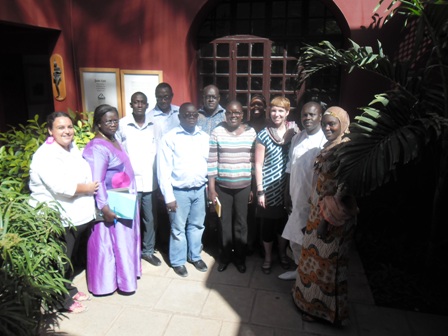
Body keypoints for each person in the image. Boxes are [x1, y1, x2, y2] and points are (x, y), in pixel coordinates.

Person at [292, 106, 358, 327]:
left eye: (332, 123)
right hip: (318, 213)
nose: (328, 127)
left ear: (343, 125)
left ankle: (324, 312)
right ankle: (309, 304)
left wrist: (324, 223)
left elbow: (344, 192)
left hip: (331, 219)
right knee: (313, 261)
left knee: (327, 267)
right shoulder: (331, 146)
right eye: (326, 123)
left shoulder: (345, 151)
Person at [29, 112, 99, 313]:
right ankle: (59, 300)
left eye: (69, 126)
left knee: (70, 259)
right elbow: (61, 186)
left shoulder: (72, 147)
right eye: (60, 128)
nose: (67, 131)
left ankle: (67, 288)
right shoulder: (45, 155)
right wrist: (88, 188)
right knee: (59, 260)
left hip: (77, 215)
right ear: (50, 131)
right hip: (58, 217)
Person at [83, 104, 141, 295]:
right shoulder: (97, 147)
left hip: (124, 199)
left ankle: (126, 276)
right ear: (98, 123)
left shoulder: (114, 139)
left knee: (125, 242)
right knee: (111, 245)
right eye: (108, 121)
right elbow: (97, 179)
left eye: (115, 120)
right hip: (111, 203)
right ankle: (109, 283)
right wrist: (104, 207)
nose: (113, 124)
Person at [157, 103, 210, 277]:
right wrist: (169, 197)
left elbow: (208, 163)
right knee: (178, 228)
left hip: (200, 189)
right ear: (179, 117)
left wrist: (209, 188)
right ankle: (178, 261)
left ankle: (194, 256)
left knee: (197, 225)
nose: (191, 118)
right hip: (178, 191)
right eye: (187, 115)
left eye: (194, 114)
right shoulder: (170, 138)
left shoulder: (203, 137)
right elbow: (163, 170)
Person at [278, 102, 326, 280]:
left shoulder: (325, 141)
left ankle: (310, 275)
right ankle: (299, 270)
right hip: (295, 195)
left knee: (310, 239)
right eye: (304, 115)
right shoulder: (297, 138)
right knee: (294, 238)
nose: (307, 118)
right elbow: (290, 166)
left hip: (313, 199)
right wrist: (286, 192)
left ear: (320, 116)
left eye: (312, 115)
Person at [207, 101, 257, 273]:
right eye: (229, 112)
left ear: (242, 115)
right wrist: (211, 189)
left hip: (243, 186)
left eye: (237, 112)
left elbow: (252, 162)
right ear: (225, 114)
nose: (233, 115)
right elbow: (212, 161)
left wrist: (251, 187)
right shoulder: (217, 132)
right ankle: (225, 257)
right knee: (224, 222)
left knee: (241, 223)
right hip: (222, 187)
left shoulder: (251, 133)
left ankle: (240, 258)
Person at [116, 92, 161, 267]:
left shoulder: (154, 125)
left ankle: (148, 251)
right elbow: (118, 151)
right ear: (131, 104)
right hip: (129, 182)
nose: (139, 105)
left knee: (150, 219)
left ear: (147, 104)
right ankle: (129, 251)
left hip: (150, 181)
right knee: (128, 218)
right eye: (136, 102)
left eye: (142, 102)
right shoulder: (122, 124)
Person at [255, 96, 298, 274]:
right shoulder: (263, 134)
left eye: (281, 110)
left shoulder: (295, 132)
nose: (276, 114)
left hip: (289, 186)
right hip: (269, 187)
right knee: (268, 225)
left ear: (287, 112)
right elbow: (258, 164)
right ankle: (267, 257)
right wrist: (260, 190)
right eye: (273, 110)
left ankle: (281, 254)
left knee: (284, 224)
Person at [246, 94, 268, 255]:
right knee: (249, 211)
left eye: (259, 105)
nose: (256, 108)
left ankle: (263, 244)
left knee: (263, 211)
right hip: (249, 173)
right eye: (253, 105)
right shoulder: (245, 126)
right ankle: (249, 243)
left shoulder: (269, 125)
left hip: (265, 174)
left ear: (265, 107)